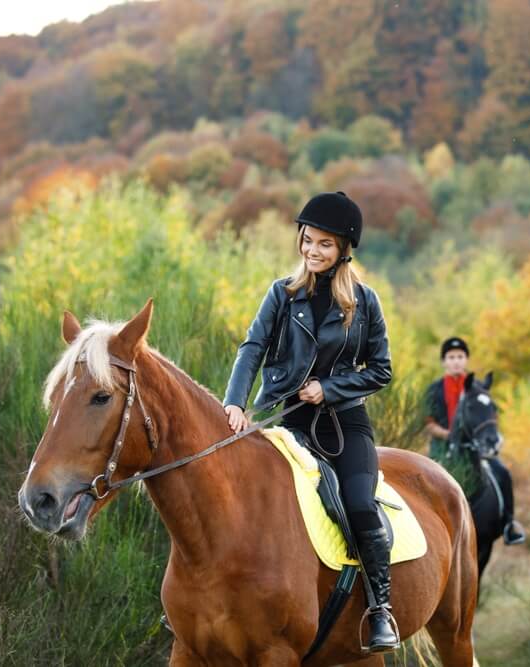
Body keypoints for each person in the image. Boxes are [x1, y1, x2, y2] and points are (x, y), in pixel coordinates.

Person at [223, 191, 399, 653]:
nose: (312, 251)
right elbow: (251, 349)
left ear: (344, 249)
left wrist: (331, 388)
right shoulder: (281, 294)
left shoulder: (365, 302)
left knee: (360, 505)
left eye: (324, 244)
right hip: (281, 421)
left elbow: (381, 370)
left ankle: (380, 609)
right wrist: (235, 404)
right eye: (307, 240)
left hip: (343, 426)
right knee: (230, 499)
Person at [424, 337, 526, 545]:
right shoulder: (434, 390)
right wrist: (448, 434)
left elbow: (489, 416)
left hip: (474, 450)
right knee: (424, 482)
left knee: (503, 473)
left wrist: (489, 438)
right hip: (442, 450)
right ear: (444, 361)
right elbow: (428, 423)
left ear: (466, 359)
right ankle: (424, 525)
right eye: (451, 357)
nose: (456, 361)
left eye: (460, 357)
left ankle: (508, 524)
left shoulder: (478, 388)